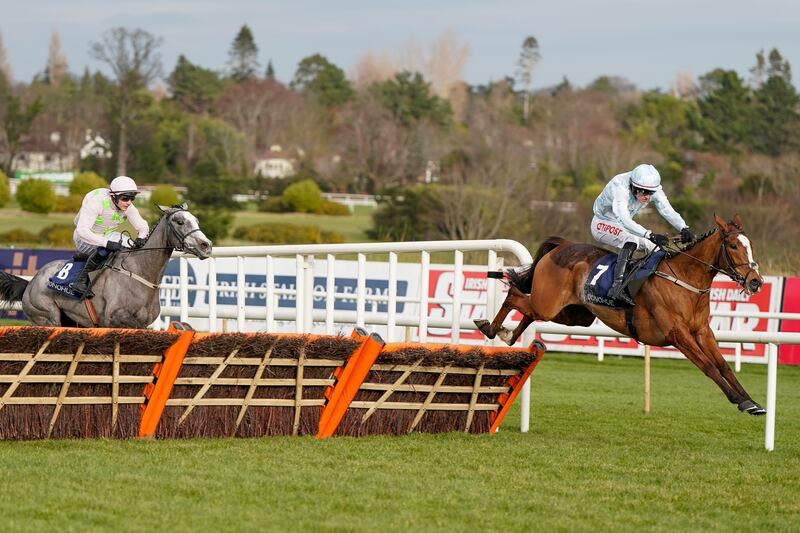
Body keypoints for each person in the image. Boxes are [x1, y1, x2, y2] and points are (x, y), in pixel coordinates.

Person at [591, 164, 695, 305]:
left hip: (623, 225)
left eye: (650, 193)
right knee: (631, 240)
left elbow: (666, 209)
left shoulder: (651, 188)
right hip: (602, 223)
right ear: (633, 186)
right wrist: (649, 234)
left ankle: (646, 286)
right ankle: (617, 288)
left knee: (655, 248)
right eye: (643, 192)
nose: (647, 197)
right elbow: (624, 219)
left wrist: (683, 227)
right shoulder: (620, 187)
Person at [68, 176, 149, 298]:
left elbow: (143, 226)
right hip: (84, 238)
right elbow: (82, 230)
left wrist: (141, 237)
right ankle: (80, 281)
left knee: (131, 246)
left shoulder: (128, 206)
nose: (129, 202)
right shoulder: (96, 203)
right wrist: (105, 243)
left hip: (106, 235)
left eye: (132, 198)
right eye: (125, 198)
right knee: (107, 249)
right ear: (113, 196)